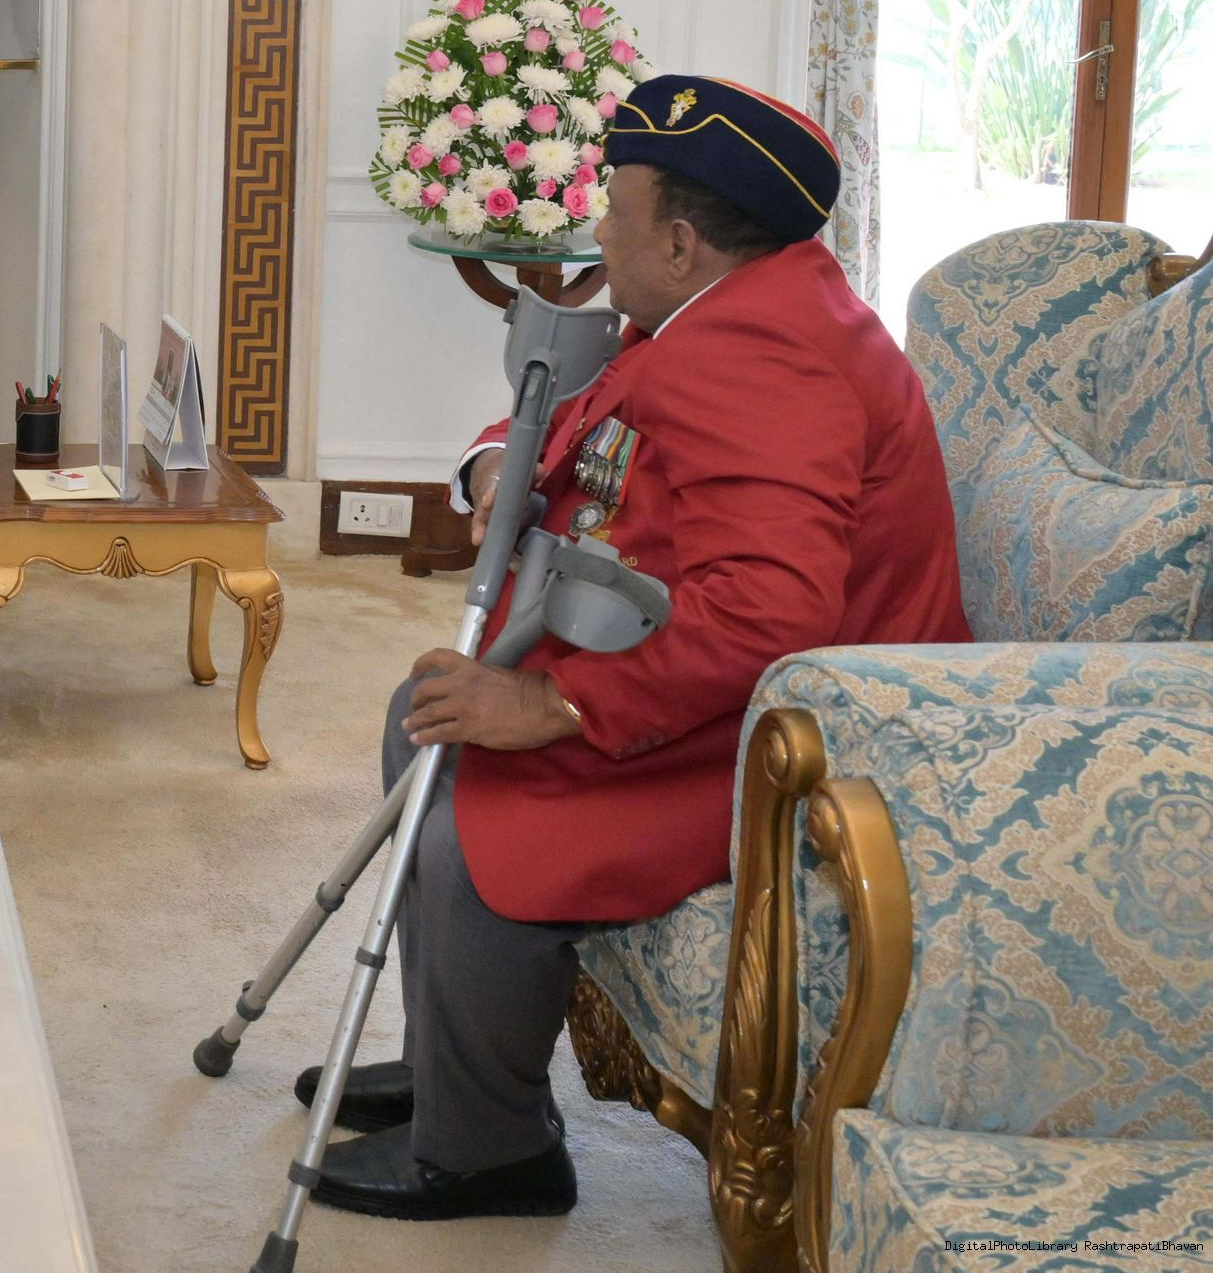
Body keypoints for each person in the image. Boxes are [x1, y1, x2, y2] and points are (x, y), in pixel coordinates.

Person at [298, 73, 967, 1222]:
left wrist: (552, 706)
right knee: (425, 718)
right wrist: (489, 462)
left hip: (799, 737)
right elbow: (584, 412)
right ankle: (454, 1063)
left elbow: (768, 613)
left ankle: (490, 1151)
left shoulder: (769, 355)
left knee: (477, 808)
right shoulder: (733, 304)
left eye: (613, 206)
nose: (596, 228)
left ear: (678, 240)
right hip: (729, 683)